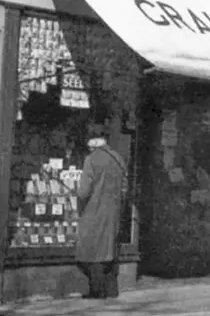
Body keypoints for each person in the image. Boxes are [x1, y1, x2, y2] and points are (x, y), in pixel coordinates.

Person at [76, 123, 127, 300]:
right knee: (110, 250)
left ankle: (96, 291)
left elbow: (83, 191)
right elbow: (124, 189)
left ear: (93, 142)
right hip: (114, 213)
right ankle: (112, 290)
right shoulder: (118, 158)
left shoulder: (91, 160)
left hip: (94, 212)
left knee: (94, 251)